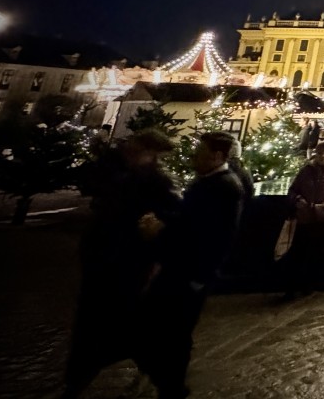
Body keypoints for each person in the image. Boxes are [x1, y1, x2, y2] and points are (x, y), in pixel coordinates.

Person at [63, 129, 183, 399]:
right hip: (106, 256)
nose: (133, 152)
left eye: (141, 150)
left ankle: (150, 371)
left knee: (119, 320)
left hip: (128, 260)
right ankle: (79, 376)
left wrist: (155, 228)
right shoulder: (116, 170)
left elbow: (172, 213)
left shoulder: (155, 180)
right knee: (101, 321)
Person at [133, 131, 245, 399]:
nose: (194, 157)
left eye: (200, 152)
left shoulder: (223, 187)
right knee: (163, 327)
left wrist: (160, 231)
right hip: (182, 269)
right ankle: (166, 380)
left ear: (216, 156)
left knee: (173, 332)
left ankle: (171, 386)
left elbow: (205, 235)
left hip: (189, 273)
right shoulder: (210, 182)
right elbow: (188, 219)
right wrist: (162, 220)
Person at [280, 141, 324, 299]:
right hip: (305, 217)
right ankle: (292, 286)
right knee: (299, 252)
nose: (323, 156)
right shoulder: (306, 169)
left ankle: (309, 284)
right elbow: (293, 189)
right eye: (320, 153)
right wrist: (298, 200)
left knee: (318, 252)